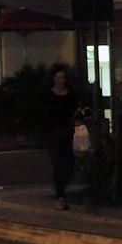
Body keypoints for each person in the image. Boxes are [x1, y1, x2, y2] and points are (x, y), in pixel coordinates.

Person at [44, 65, 79, 210]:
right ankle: (60, 195)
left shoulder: (70, 94)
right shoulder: (47, 95)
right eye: (58, 77)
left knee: (69, 164)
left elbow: (74, 110)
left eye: (63, 77)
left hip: (68, 131)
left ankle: (63, 191)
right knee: (58, 164)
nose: (61, 80)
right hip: (54, 133)